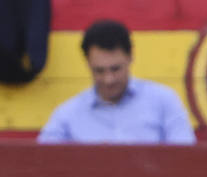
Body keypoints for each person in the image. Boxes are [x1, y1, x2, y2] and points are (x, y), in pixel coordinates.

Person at [37, 19, 194, 144]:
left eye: (115, 69)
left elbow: (185, 159)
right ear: (87, 63)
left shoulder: (164, 102)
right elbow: (41, 165)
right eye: (99, 71)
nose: (108, 79)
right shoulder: (67, 115)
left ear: (130, 57)